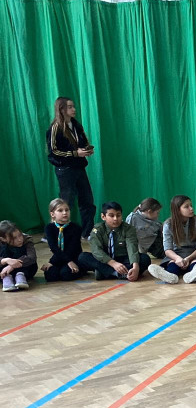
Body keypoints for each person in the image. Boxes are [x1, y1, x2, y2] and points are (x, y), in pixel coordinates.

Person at [46, 97, 96, 241]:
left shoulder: (76, 125)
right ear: (61, 109)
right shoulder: (55, 127)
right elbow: (53, 151)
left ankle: (87, 233)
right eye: (69, 107)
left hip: (79, 167)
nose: (73, 109)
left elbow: (83, 141)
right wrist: (75, 153)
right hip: (65, 169)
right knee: (65, 203)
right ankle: (56, 233)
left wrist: (86, 150)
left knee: (87, 200)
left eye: (73, 106)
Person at [148, 194, 196, 284]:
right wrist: (178, 259)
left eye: (191, 206)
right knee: (172, 263)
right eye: (186, 207)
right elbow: (168, 249)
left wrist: (188, 259)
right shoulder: (168, 225)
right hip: (176, 253)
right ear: (177, 210)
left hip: (195, 253)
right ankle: (170, 275)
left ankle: (193, 274)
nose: (191, 208)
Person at [86, 201, 149, 281]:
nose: (115, 219)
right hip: (106, 260)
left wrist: (135, 267)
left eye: (118, 215)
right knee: (83, 257)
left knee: (145, 258)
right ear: (103, 216)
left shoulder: (128, 229)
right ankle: (117, 274)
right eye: (111, 216)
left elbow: (132, 248)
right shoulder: (98, 230)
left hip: (123, 259)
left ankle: (104, 272)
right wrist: (113, 263)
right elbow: (96, 250)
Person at [41, 198, 95, 282]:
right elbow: (54, 248)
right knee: (50, 275)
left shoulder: (75, 228)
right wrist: (52, 262)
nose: (64, 213)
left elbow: (72, 249)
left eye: (67, 210)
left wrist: (70, 262)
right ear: (52, 214)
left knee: (66, 274)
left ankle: (82, 268)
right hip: (59, 257)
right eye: (60, 210)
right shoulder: (49, 228)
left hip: (73, 257)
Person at [0, 221, 38, 291]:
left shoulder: (27, 239)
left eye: (20, 235)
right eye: (14, 238)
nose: (20, 239)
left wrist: (12, 266)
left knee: (30, 262)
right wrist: (6, 260)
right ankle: (6, 278)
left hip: (25, 268)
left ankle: (20, 276)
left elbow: (32, 257)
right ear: (3, 239)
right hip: (4, 270)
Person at [125, 198, 164, 263]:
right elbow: (128, 237)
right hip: (147, 245)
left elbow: (159, 227)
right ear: (149, 211)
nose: (158, 215)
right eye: (157, 213)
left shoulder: (152, 219)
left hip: (154, 241)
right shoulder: (132, 218)